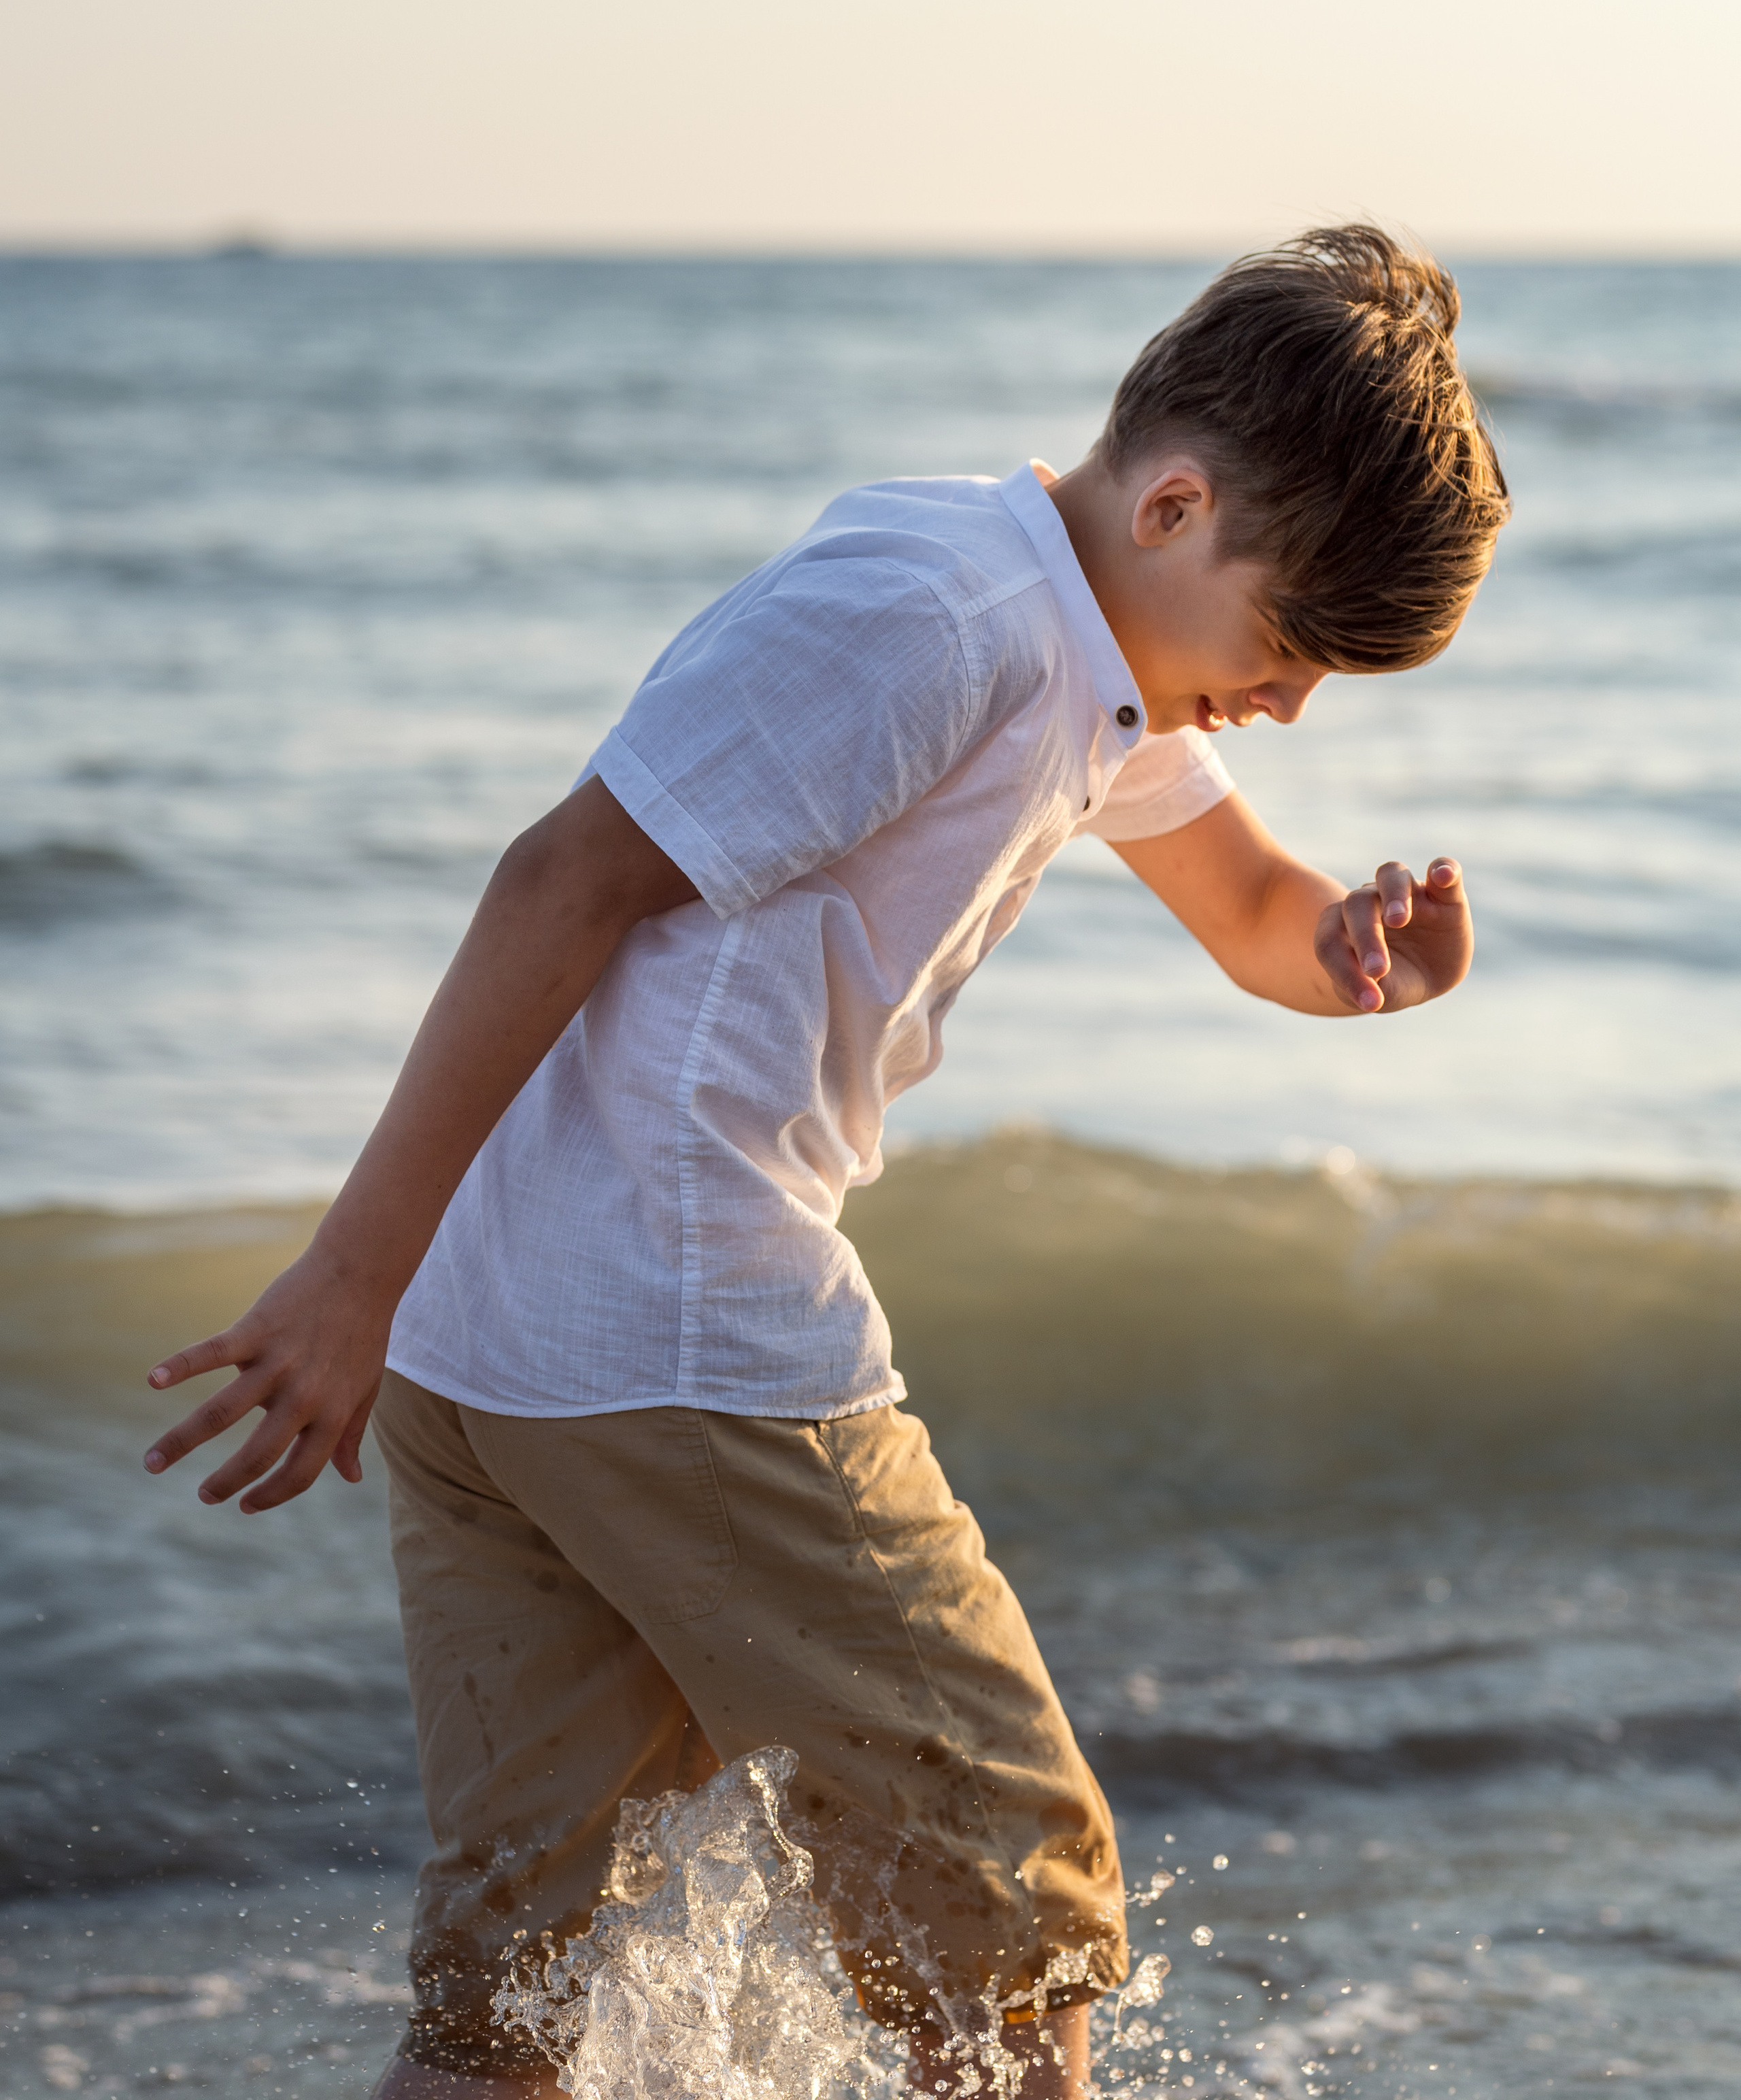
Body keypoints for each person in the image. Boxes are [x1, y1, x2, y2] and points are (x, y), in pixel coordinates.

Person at [144, 226, 1509, 2097]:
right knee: (1016, 1941)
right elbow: (568, 875)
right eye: (1287, 653)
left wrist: (1368, 962)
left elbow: (1257, 909)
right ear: (1179, 504)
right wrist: (346, 1275)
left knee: (519, 1992)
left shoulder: (1085, 636)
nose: (1287, 705)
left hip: (508, 1359)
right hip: (680, 1340)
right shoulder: (943, 616)